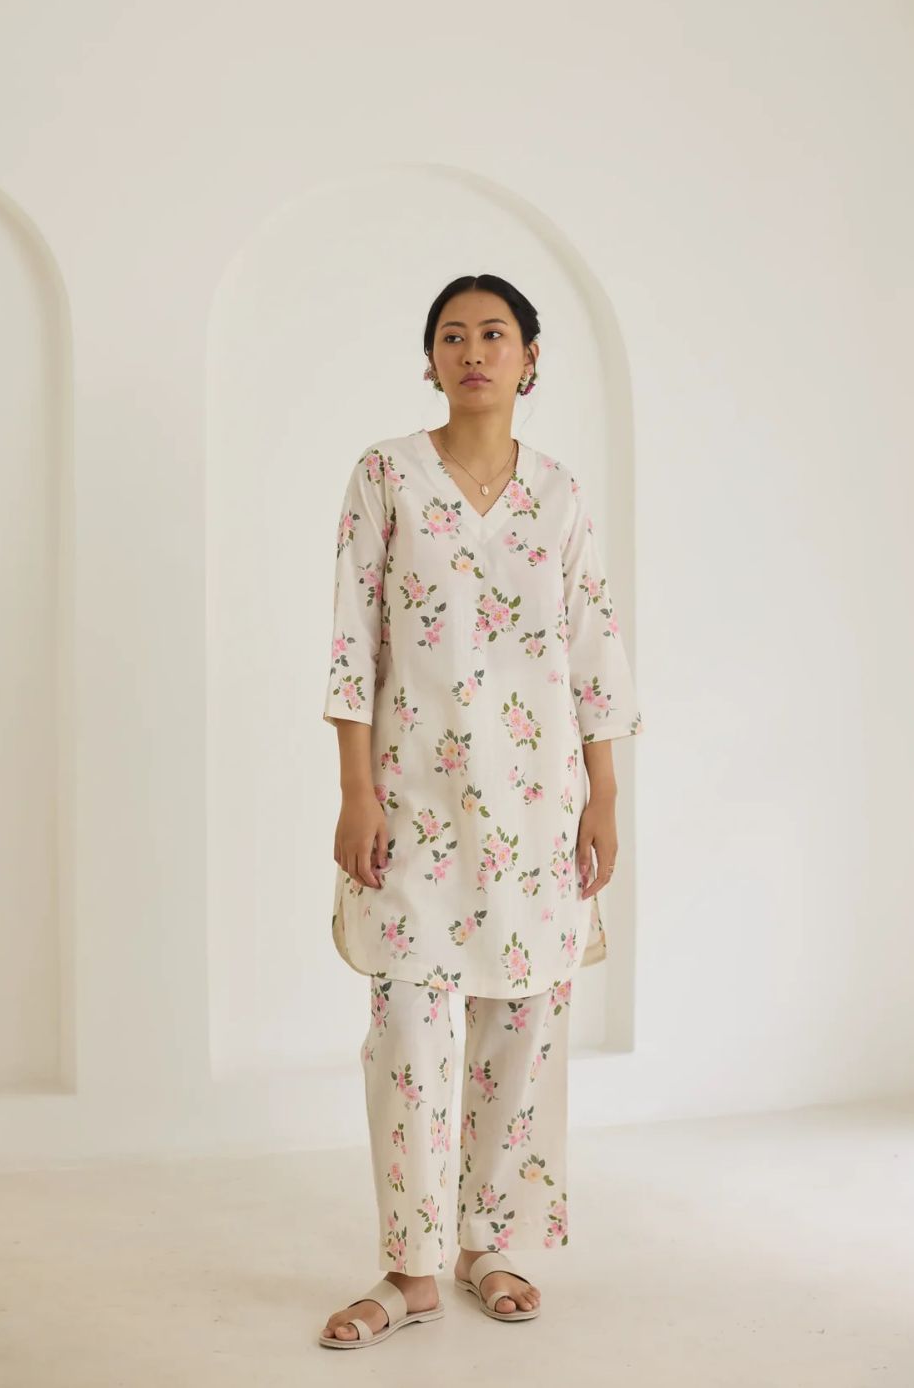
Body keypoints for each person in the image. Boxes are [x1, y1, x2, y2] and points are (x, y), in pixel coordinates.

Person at [318, 273, 643, 1349]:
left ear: (529, 358)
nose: (472, 351)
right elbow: (351, 640)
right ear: (429, 361)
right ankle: (409, 1269)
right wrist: (355, 790)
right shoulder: (385, 477)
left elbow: (593, 648)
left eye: (494, 334)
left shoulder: (559, 493)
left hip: (537, 806)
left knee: (523, 1023)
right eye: (451, 336)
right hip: (412, 803)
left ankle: (488, 1244)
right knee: (408, 1029)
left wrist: (604, 794)